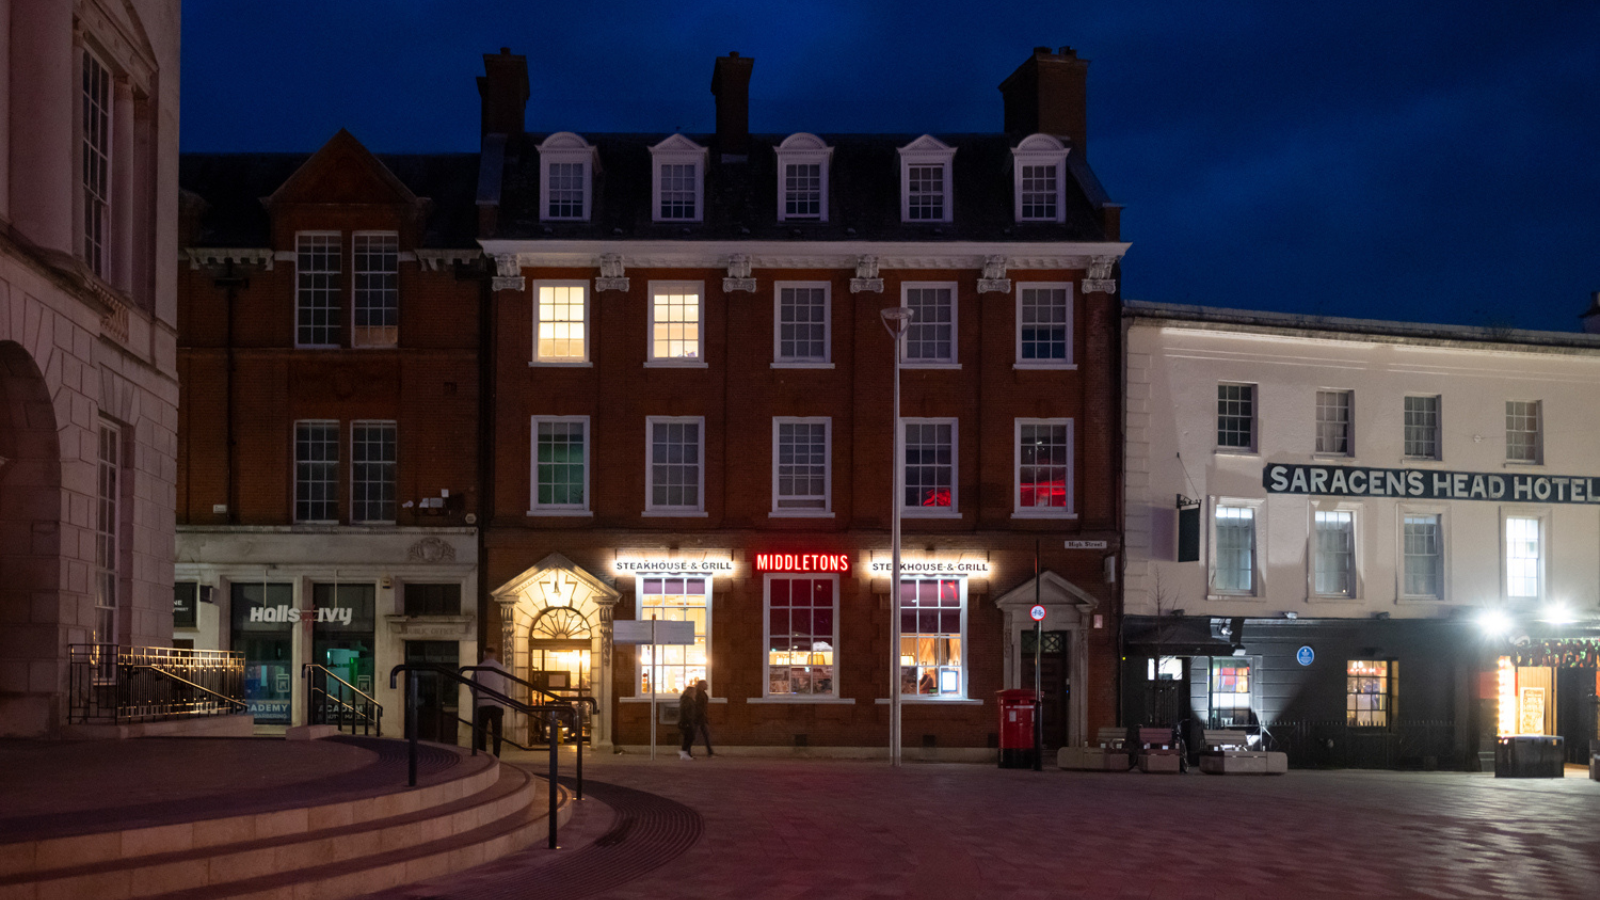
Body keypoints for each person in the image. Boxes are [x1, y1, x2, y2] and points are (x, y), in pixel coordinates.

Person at [472, 646, 510, 757]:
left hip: (483, 703)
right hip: (497, 703)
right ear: (495, 656)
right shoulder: (501, 668)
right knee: (497, 731)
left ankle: (482, 752)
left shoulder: (479, 668)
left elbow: (472, 685)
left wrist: (477, 696)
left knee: (481, 730)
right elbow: (507, 686)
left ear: (485, 655)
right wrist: (505, 699)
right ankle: (496, 754)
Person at [677, 682, 699, 760]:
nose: (695, 693)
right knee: (690, 736)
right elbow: (685, 711)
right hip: (686, 721)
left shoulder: (687, 699)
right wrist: (689, 719)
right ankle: (683, 751)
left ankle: (685, 754)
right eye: (694, 692)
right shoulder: (687, 700)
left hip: (687, 720)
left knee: (688, 737)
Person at [693, 679, 714, 756]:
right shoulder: (699, 694)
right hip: (699, 717)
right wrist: (702, 715)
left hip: (700, 717)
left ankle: (710, 751)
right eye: (705, 684)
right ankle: (710, 751)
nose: (707, 686)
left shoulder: (701, 693)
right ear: (702, 685)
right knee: (702, 734)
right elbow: (699, 706)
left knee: (704, 734)